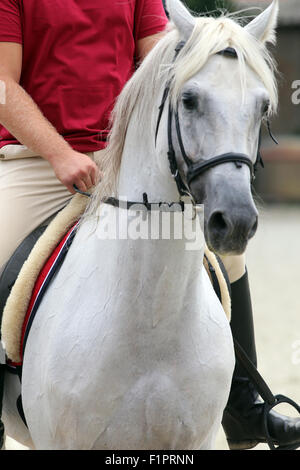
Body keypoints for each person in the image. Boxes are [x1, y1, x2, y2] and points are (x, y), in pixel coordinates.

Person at [0, 0, 299, 451]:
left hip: (125, 157)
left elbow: (166, 66)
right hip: (37, 160)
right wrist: (59, 153)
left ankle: (244, 403)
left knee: (228, 255)